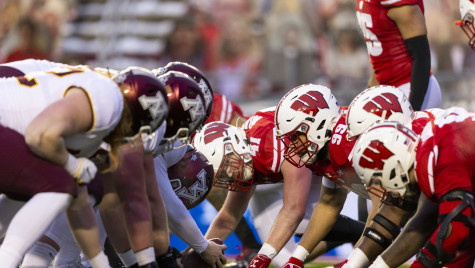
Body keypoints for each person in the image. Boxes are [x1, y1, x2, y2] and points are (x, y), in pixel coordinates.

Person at [0, 63, 168, 268]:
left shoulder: (96, 120)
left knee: (71, 185)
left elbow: (79, 201)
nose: (132, 138)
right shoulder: (108, 99)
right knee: (60, 183)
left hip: (9, 132)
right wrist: (73, 166)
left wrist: (100, 263)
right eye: (136, 128)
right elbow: (40, 135)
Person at [194, 112, 365, 267]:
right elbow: (228, 217)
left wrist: (262, 257)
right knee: (284, 254)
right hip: (311, 161)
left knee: (306, 220)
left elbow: (294, 210)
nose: (230, 174)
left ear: (236, 144)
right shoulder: (239, 157)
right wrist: (199, 252)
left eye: (227, 165)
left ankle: (371, 238)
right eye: (223, 174)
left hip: (337, 146)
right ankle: (365, 236)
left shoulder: (270, 143)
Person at [352, 111, 475, 268]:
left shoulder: (440, 156)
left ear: (394, 168)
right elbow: (425, 220)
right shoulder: (431, 147)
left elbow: (456, 226)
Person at [355, 0, 441, 111]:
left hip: (410, 87)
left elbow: (421, 56)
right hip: (386, 89)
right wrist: (369, 91)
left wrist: (412, 110)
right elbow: (380, 56)